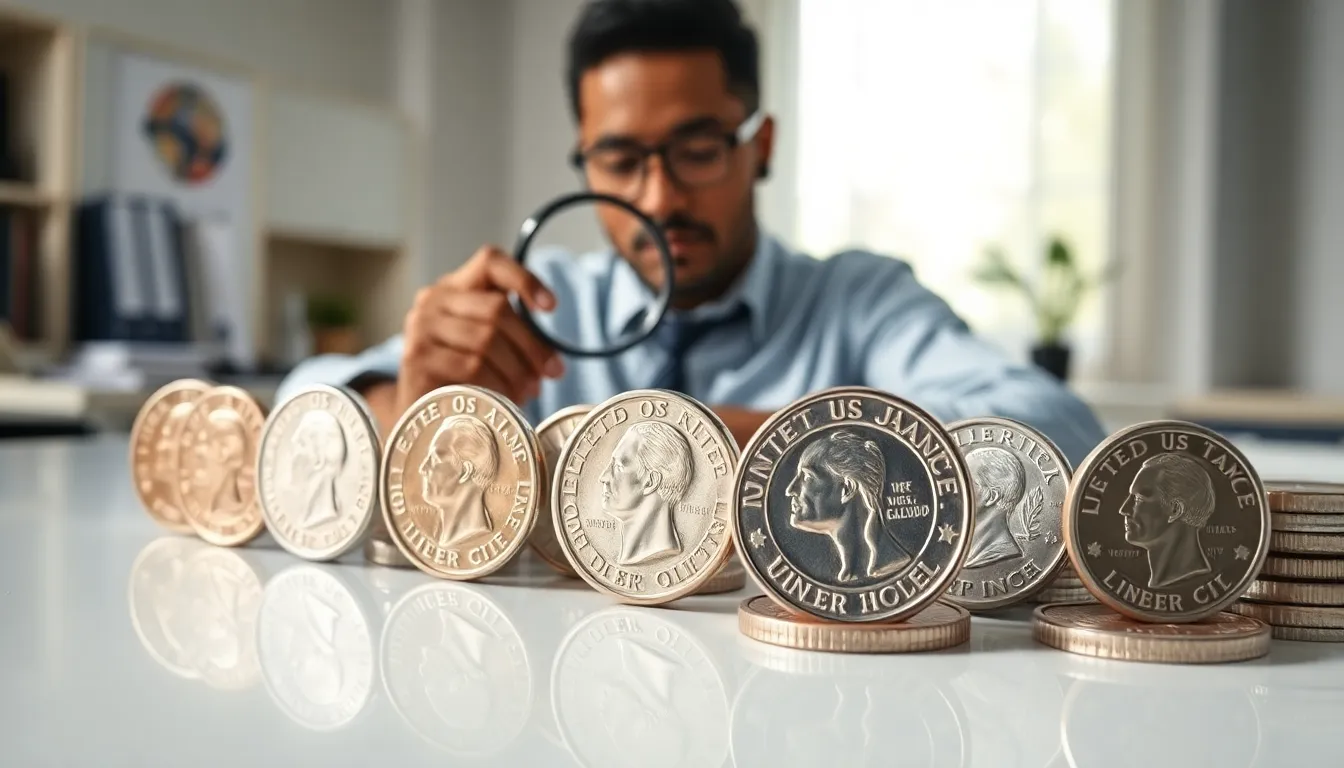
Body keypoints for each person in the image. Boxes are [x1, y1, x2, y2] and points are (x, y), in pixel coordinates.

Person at [275, 0, 1107, 465]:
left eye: (698, 150)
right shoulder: (541, 305)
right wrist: (403, 403)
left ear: (762, 147)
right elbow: (295, 403)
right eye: (619, 158)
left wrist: (711, 440)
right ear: (584, 162)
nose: (660, 197)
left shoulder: (859, 301)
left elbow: (1053, 425)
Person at [784, 429, 912, 583]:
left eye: (808, 477)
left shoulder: (891, 566)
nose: (790, 490)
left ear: (847, 489)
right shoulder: (853, 573)